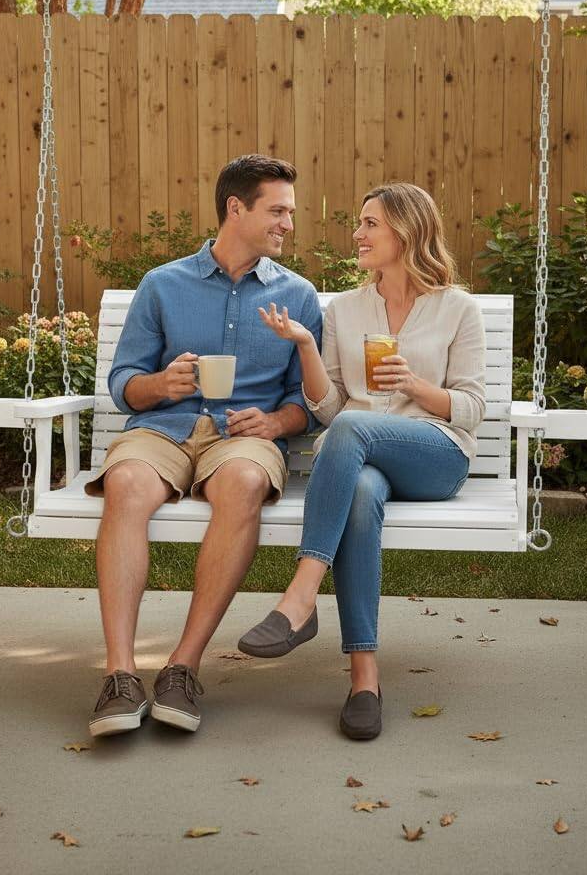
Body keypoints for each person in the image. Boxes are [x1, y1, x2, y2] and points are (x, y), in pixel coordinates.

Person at [237, 182, 486, 740]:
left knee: (354, 427)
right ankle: (364, 679)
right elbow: (328, 408)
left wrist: (418, 386)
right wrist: (305, 344)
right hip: (361, 456)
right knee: (360, 493)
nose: (358, 234)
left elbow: (470, 409)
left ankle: (301, 596)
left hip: (434, 452)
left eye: (370, 224)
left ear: (408, 230)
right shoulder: (345, 310)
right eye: (360, 223)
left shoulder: (457, 308)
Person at [85, 154, 322, 737]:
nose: (288, 223)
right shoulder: (163, 284)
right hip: (164, 428)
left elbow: (309, 404)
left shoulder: (299, 295)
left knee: (242, 484)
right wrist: (160, 384)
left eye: (290, 212)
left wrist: (276, 423)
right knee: (126, 482)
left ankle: (182, 668)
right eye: (278, 210)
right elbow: (124, 385)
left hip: (242, 438)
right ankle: (119, 675)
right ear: (235, 209)